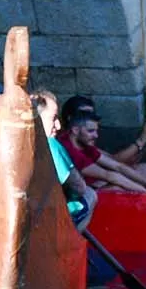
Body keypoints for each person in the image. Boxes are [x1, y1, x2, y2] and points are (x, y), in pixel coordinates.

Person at [56, 104, 146, 194]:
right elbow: (109, 175)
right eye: (91, 131)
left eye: (96, 131)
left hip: (96, 182)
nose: (96, 136)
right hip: (83, 194)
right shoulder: (68, 149)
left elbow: (118, 166)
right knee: (118, 187)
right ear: (75, 130)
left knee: (144, 168)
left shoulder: (83, 142)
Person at [31, 90, 97, 228]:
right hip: (52, 216)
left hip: (31, 210)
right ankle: (72, 240)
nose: (58, 126)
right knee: (90, 195)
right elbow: (79, 187)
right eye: (53, 118)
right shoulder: (50, 144)